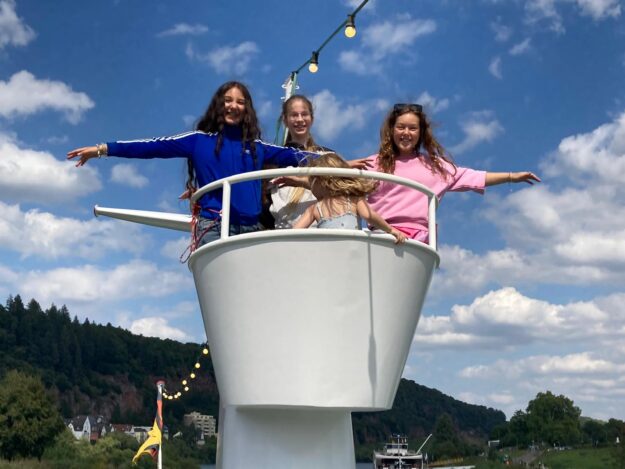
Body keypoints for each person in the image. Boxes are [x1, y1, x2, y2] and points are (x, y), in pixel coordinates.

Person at [67, 81, 314, 246]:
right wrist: (102, 149)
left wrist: (332, 161)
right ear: (219, 105)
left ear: (246, 109)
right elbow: (151, 147)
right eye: (228, 100)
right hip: (214, 226)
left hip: (251, 229)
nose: (234, 106)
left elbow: (294, 156)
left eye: (240, 102)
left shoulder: (257, 147)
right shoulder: (198, 141)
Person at [355, 103, 541, 242]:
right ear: (392, 130)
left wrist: (511, 176)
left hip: (419, 238)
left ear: (420, 133)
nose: (406, 132)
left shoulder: (436, 166)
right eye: (400, 127)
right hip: (381, 234)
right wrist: (347, 164)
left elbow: (475, 176)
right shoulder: (374, 162)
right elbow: (339, 174)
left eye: (412, 128)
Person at [292, 153, 406, 244]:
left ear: (320, 181)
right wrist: (390, 229)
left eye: (312, 182)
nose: (311, 187)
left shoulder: (314, 208)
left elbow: (295, 232)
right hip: (352, 251)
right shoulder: (354, 200)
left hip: (328, 254)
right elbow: (368, 215)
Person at [267, 94, 333, 229]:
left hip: (320, 230)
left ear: (312, 118)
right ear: (285, 120)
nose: (300, 119)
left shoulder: (327, 155)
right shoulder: (275, 161)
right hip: (284, 233)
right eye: (294, 115)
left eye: (304, 114)